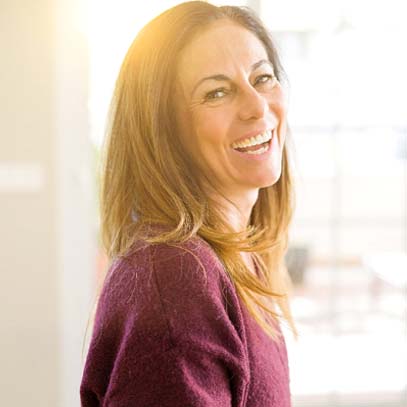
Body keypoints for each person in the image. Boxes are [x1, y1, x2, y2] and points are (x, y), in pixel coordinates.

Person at [80, 1, 299, 406]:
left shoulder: (234, 258)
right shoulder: (174, 276)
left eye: (262, 77)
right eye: (217, 92)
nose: (257, 107)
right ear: (164, 131)